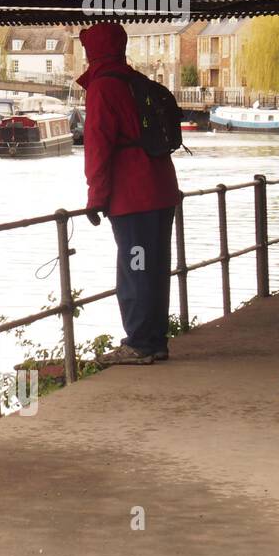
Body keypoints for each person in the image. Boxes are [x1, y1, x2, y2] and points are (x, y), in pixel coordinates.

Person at [77, 22, 180, 365]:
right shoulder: (136, 81)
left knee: (134, 266)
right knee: (154, 266)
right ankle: (155, 341)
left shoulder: (104, 87)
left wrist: (96, 197)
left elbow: (98, 146)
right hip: (162, 188)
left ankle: (138, 343)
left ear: (93, 52)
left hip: (133, 196)